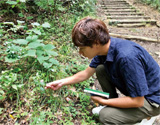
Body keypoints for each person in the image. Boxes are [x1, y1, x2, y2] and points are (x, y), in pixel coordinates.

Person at [45, 17, 160, 124]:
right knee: (101, 69)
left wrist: (104, 102)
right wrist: (61, 82)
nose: (80, 53)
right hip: (139, 93)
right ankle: (117, 106)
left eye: (82, 48)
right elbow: (86, 73)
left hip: (152, 100)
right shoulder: (104, 49)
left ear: (95, 43)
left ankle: (144, 118)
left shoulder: (127, 57)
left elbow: (137, 101)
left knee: (106, 116)